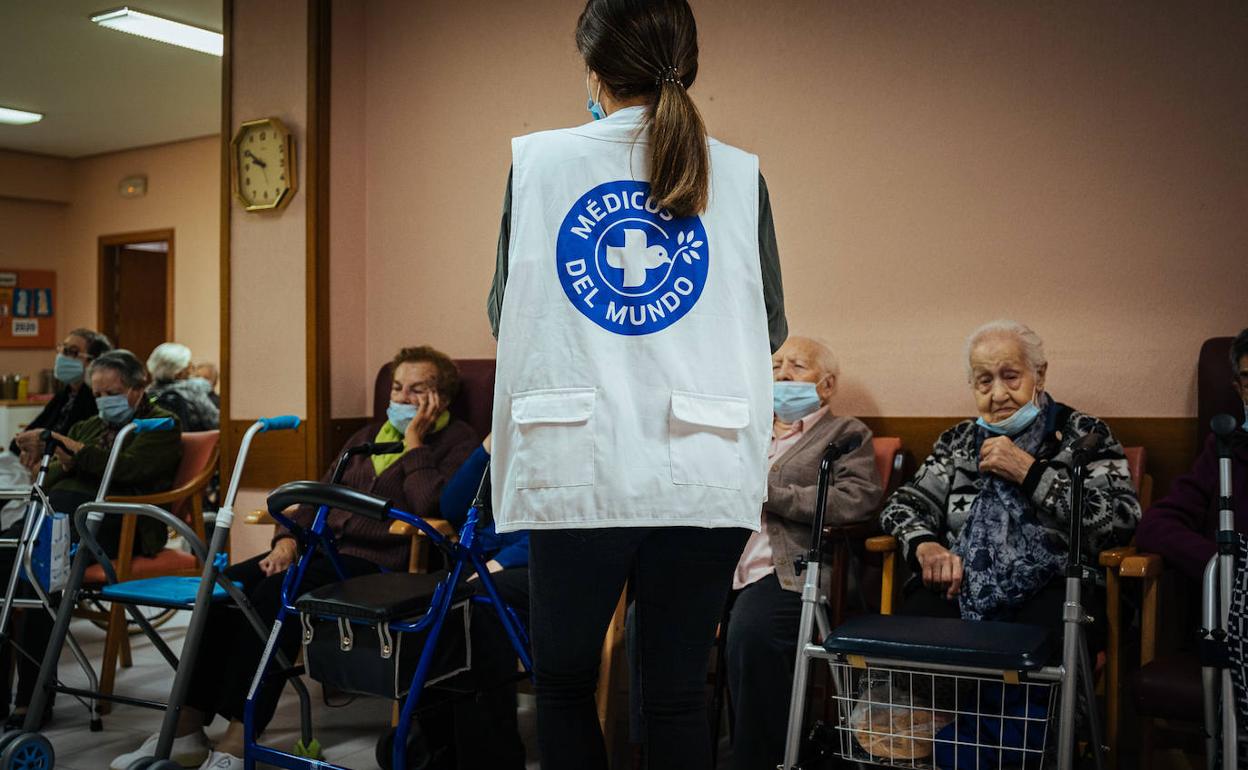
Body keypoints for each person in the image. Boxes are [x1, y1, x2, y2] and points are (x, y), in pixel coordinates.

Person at [488, 2, 786, 767]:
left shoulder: (540, 164)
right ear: (688, 65)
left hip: (577, 458)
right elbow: (771, 329)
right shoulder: (741, 174)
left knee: (560, 682)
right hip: (701, 460)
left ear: (592, 70)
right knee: (679, 693)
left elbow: (505, 314)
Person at [111, 345, 478, 770]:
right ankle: (186, 729)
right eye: (397, 388)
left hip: (381, 562)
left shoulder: (457, 442)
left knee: (272, 599)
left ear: (441, 399)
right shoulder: (365, 437)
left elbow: (433, 506)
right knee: (227, 590)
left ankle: (238, 738)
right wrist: (287, 540)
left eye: (417, 390)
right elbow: (316, 498)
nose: (401, 399)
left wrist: (414, 442)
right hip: (319, 551)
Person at [880, 320, 1140, 641]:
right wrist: (925, 545)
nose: (999, 394)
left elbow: (1122, 521)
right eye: (984, 381)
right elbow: (901, 506)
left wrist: (1030, 473)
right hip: (962, 584)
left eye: (1011, 376)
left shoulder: (1085, 435)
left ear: (1040, 375)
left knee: (1031, 643)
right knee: (906, 639)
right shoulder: (960, 440)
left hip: (1058, 584)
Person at [1, 349, 181, 728]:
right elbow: (50, 482)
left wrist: (76, 453)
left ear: (138, 387)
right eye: (97, 395)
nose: (103, 402)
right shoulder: (86, 427)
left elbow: (129, 470)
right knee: (8, 571)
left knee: (37, 574)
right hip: (62, 518)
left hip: (120, 521)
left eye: (111, 392)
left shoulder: (161, 424)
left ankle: (32, 701)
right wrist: (57, 455)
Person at [724, 336, 881, 770]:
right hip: (721, 563)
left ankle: (756, 761)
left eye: (796, 366)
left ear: (827, 385)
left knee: (752, 631)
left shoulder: (846, 434)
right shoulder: (744, 431)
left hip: (792, 570)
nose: (782, 375)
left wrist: (771, 494)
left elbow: (858, 499)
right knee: (650, 620)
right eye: (775, 366)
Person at [421, 433, 531, 770]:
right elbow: (453, 506)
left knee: (479, 602)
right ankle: (436, 749)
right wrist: (488, 446)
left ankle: (491, 759)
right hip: (484, 563)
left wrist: (501, 563)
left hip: (536, 563)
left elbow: (559, 525)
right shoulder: (506, 445)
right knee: (428, 600)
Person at [1136, 327, 1248, 581]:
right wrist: (1227, 566)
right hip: (1234, 609)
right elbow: (1155, 526)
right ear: (1239, 389)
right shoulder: (1223, 450)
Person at [10, 328, 112, 470]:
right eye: (63, 349)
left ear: (93, 361)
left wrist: (43, 455)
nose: (62, 356)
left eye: (72, 352)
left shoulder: (97, 400)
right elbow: (21, 439)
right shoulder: (65, 393)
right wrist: (26, 449)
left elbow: (77, 451)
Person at [147, 343, 220, 431]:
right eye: (189, 365)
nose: (192, 369)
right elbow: (216, 422)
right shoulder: (193, 389)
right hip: (191, 443)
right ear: (179, 373)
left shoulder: (148, 392)